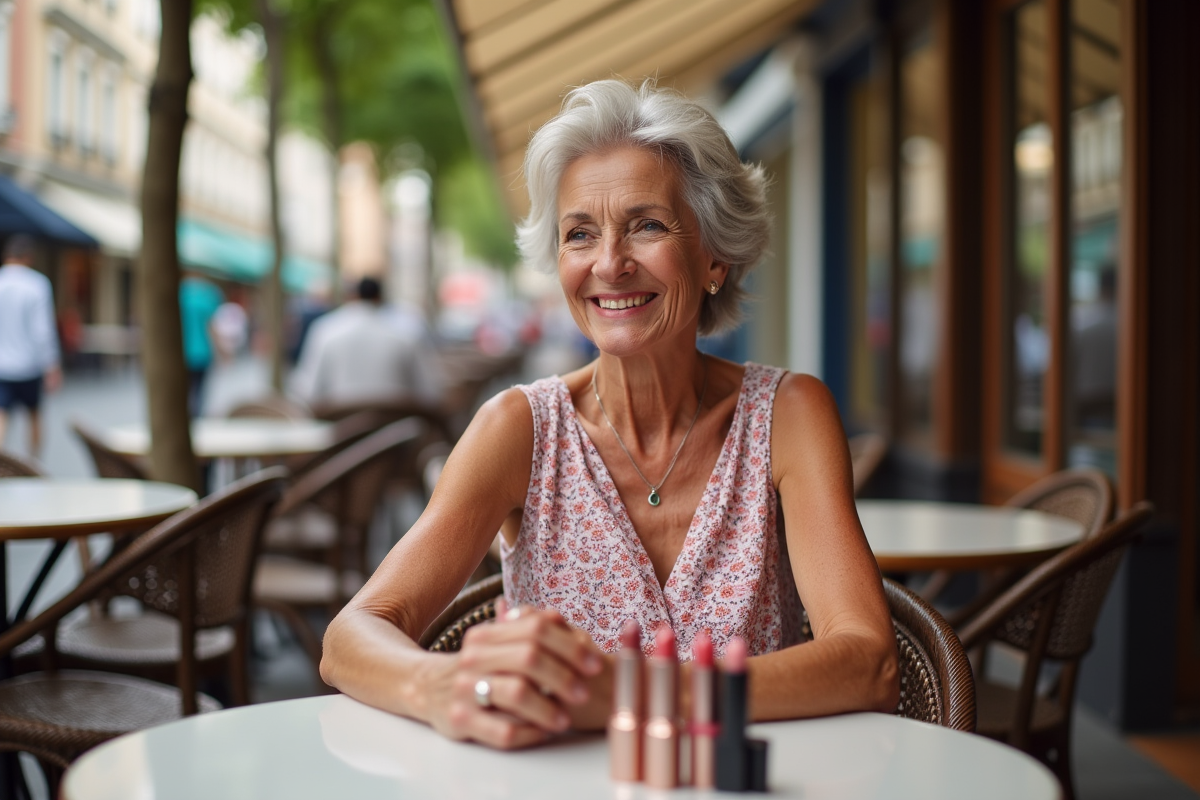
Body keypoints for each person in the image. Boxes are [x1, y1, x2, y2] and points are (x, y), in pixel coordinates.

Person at [320, 80, 898, 749]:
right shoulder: (519, 429)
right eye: (580, 235)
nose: (610, 264)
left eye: (647, 225)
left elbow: (870, 661)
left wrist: (634, 693)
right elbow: (350, 637)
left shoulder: (789, 415)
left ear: (714, 255)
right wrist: (439, 686)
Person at [289, 276, 444, 407]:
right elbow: (430, 392)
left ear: (352, 296)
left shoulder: (326, 330)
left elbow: (307, 390)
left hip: (339, 432)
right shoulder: (407, 333)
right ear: (380, 298)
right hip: (397, 432)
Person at [0, 234, 62, 458]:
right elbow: (42, 330)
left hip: (2, 366)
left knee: (2, 417)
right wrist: (52, 365)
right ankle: (33, 465)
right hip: (29, 365)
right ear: (28, 257)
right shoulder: (36, 284)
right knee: (34, 415)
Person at [179, 270, 224, 418]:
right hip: (202, 352)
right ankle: (195, 417)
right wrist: (221, 351)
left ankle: (186, 416)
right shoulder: (207, 296)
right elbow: (212, 327)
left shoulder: (180, 294)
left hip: (182, 353)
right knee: (199, 390)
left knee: (185, 389)